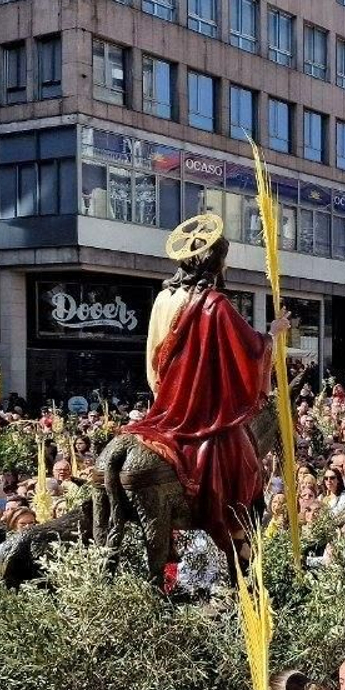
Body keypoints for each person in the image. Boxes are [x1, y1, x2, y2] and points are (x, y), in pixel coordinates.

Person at [125, 224, 286, 557]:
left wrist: (162, 395)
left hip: (166, 405)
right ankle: (237, 527)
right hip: (200, 410)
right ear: (214, 263)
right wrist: (274, 332)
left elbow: (154, 355)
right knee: (245, 461)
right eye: (224, 261)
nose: (226, 268)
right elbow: (250, 350)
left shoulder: (163, 297)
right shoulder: (215, 303)